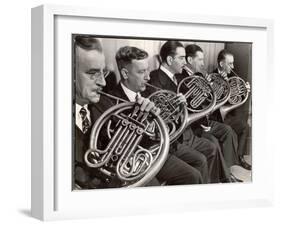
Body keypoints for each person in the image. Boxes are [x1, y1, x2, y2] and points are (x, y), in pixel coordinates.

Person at [98, 45, 206, 185]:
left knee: (194, 175)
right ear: (125, 74)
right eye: (142, 72)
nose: (148, 77)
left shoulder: (149, 92)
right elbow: (113, 147)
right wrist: (139, 117)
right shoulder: (110, 102)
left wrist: (179, 107)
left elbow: (166, 128)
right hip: (134, 161)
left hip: (157, 152)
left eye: (148, 70)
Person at [74, 36, 162, 189]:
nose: (103, 82)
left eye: (104, 73)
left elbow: (126, 148)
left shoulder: (105, 106)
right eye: (93, 73)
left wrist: (143, 119)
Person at [146, 41, 231, 183]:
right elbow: (159, 116)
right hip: (174, 137)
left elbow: (194, 104)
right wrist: (177, 105)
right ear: (169, 60)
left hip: (186, 132)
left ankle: (212, 184)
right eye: (181, 58)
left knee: (211, 148)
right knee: (204, 156)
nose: (185, 62)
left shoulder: (177, 78)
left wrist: (208, 89)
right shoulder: (155, 79)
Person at [182, 44, 240, 176]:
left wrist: (212, 88)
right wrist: (204, 122)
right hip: (196, 124)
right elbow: (192, 106)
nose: (203, 63)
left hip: (205, 120)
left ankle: (229, 171)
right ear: (190, 60)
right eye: (201, 60)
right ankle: (224, 176)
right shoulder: (183, 78)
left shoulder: (198, 75)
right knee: (214, 142)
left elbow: (207, 100)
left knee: (228, 130)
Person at [213, 49, 251, 170]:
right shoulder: (212, 76)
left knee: (245, 126)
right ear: (221, 64)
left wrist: (246, 90)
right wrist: (221, 82)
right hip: (215, 117)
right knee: (229, 131)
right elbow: (213, 101)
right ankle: (227, 168)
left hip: (225, 116)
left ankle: (239, 157)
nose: (233, 66)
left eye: (233, 63)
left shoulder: (232, 76)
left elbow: (236, 98)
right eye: (230, 63)